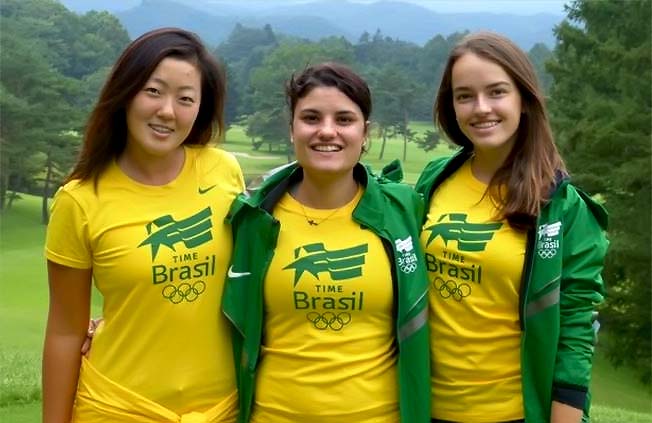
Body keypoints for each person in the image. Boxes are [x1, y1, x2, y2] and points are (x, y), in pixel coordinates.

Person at [43, 27, 244, 422]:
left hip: (222, 409)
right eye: (153, 91)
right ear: (125, 92)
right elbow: (66, 331)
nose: (167, 111)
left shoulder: (224, 171)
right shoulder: (80, 199)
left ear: (200, 108)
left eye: (185, 99)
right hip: (118, 407)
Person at [415, 32, 609, 423]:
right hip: (425, 408)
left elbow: (575, 332)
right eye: (464, 95)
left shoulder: (564, 207)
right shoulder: (435, 179)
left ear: (524, 99)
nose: (481, 107)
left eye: (497, 92)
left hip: (513, 413)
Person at [222, 62, 431, 423]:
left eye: (345, 120)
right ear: (291, 129)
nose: (327, 131)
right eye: (312, 118)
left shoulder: (404, 211)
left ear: (366, 132)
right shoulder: (253, 218)